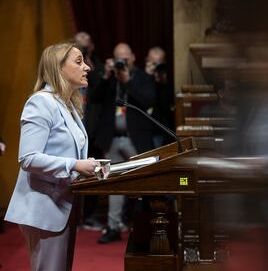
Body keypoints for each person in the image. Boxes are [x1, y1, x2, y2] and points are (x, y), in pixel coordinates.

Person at [4, 42, 97, 271]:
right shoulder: (41, 102)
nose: (87, 67)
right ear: (58, 68)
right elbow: (28, 158)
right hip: (44, 207)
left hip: (63, 204)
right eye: (78, 61)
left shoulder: (67, 105)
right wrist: (75, 165)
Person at [90, 43, 156, 243]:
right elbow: (95, 98)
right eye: (119, 58)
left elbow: (148, 101)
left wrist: (127, 81)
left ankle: (143, 226)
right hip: (112, 139)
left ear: (133, 58)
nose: (122, 62)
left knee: (143, 182)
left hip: (136, 138)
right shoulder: (110, 79)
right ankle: (113, 226)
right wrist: (105, 75)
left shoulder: (143, 78)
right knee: (113, 183)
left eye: (125, 58)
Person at [74, 31, 105, 231]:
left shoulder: (94, 67)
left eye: (84, 47)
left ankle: (90, 215)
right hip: (73, 131)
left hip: (91, 130)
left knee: (93, 172)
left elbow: (100, 89)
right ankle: (74, 217)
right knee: (73, 174)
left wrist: (91, 63)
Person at [144, 46, 175, 147]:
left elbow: (168, 107)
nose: (156, 66)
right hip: (143, 131)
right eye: (153, 63)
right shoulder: (140, 77)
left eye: (159, 63)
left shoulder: (169, 79)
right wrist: (148, 77)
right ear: (147, 61)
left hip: (162, 131)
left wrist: (162, 82)